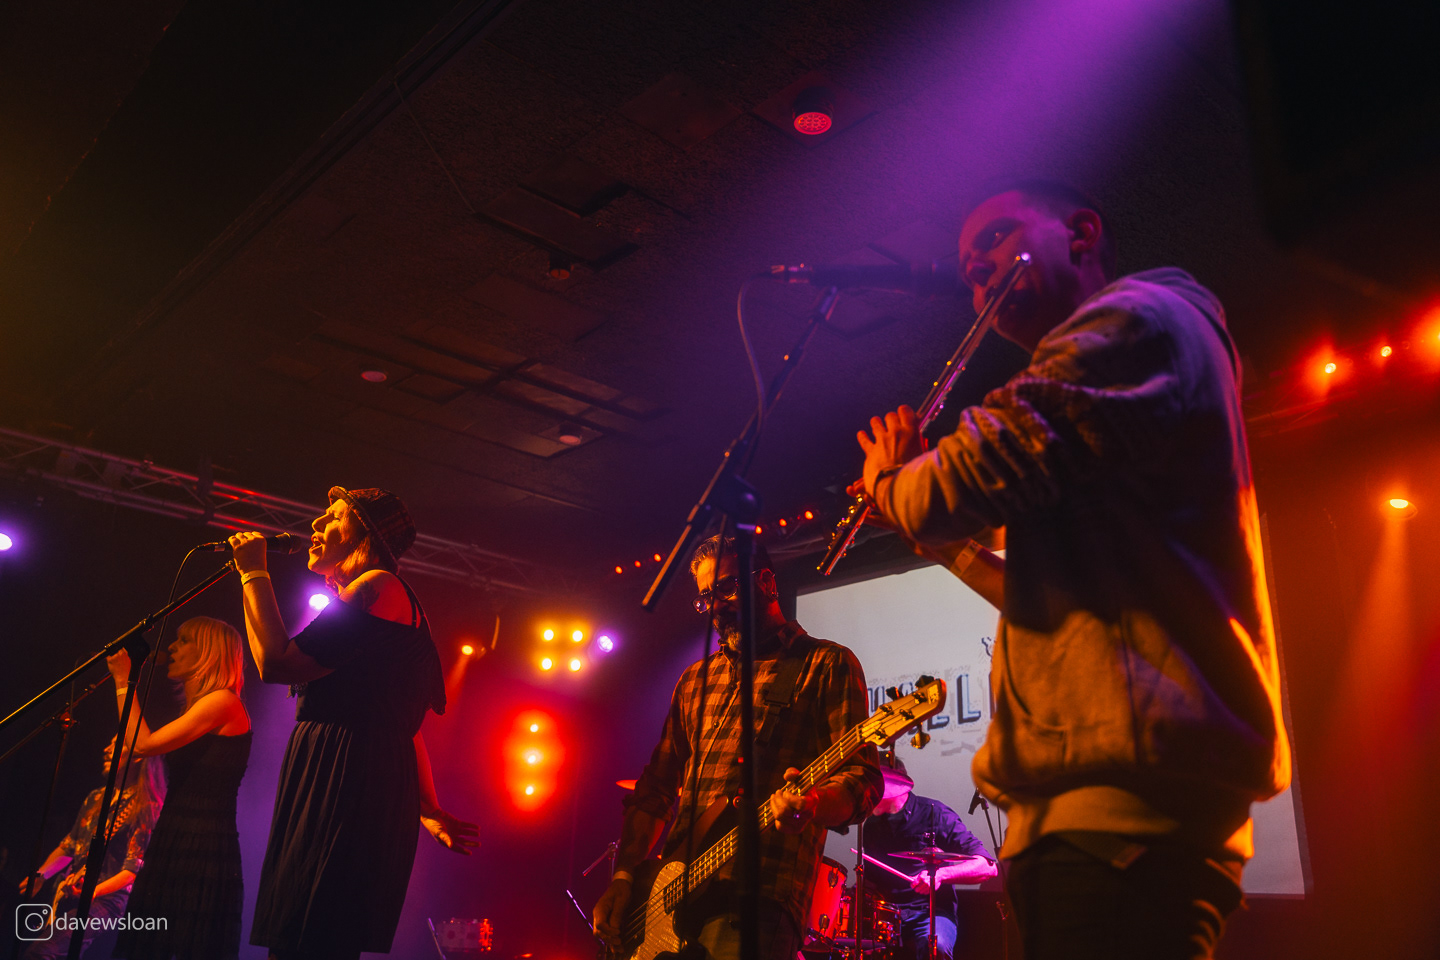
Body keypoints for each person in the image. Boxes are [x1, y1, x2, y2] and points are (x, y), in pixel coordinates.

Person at [852, 180, 1292, 959]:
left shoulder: (1136, 321)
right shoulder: (1107, 404)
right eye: (968, 268)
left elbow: (952, 484)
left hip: (1119, 819)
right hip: (1091, 815)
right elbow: (1043, 595)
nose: (977, 273)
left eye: (995, 240)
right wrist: (935, 538)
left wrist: (895, 478)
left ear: (1081, 234)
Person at [592, 535, 883, 960]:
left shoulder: (826, 664)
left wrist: (813, 804)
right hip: (665, 900)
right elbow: (654, 791)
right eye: (705, 597)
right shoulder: (694, 681)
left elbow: (863, 779)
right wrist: (623, 879)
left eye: (726, 588)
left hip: (759, 898)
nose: (716, 606)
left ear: (766, 582)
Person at [236, 486, 479, 960]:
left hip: (347, 773)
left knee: (312, 933)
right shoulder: (374, 593)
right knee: (302, 934)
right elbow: (403, 723)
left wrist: (254, 573)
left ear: (366, 533)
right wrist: (427, 807)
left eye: (333, 516)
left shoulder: (378, 585)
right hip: (342, 767)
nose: (316, 524)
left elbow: (276, 663)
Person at [107, 615, 252, 960]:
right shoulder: (201, 707)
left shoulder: (223, 701)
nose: (171, 647)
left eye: (184, 640)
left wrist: (124, 681)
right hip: (174, 835)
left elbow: (143, 744)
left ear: (208, 652)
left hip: (201, 842)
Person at [17, 740, 162, 960]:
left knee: (41, 952)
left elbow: (132, 870)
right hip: (74, 894)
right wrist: (41, 874)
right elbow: (69, 846)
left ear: (139, 756)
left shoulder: (145, 806)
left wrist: (94, 891)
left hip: (108, 902)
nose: (106, 749)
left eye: (116, 745)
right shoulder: (96, 797)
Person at [859, 756, 995, 960]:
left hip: (931, 912)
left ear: (895, 785)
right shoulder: (871, 825)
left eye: (873, 785)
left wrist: (939, 876)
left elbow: (987, 867)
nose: (867, 793)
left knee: (937, 947)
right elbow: (871, 881)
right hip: (888, 915)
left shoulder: (936, 814)